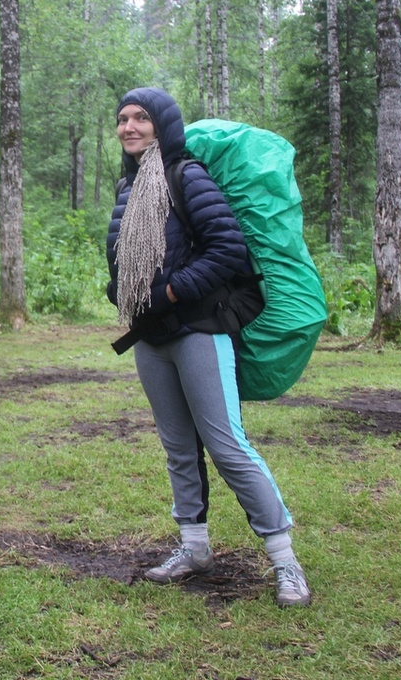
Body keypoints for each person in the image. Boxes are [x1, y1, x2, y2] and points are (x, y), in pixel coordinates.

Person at [105, 87, 311, 608]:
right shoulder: (128, 186)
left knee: (226, 445)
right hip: (150, 336)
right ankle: (194, 548)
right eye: (123, 119)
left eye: (141, 118)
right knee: (178, 446)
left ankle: (285, 561)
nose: (130, 127)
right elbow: (125, 256)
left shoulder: (187, 175)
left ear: (163, 125)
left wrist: (172, 292)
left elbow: (227, 250)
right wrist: (121, 290)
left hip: (198, 330)